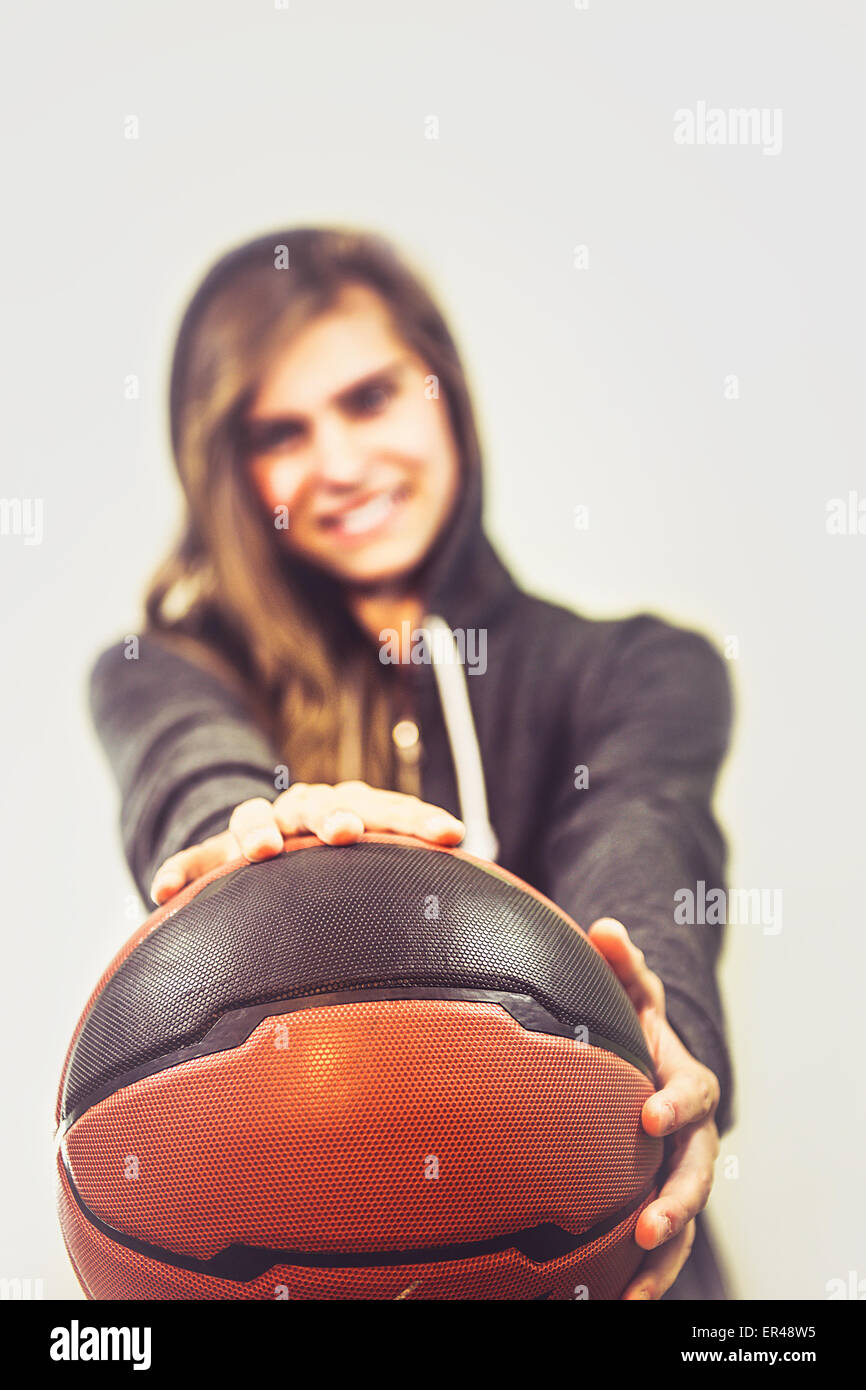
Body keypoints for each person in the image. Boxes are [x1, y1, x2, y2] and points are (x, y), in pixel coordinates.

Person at [90, 226, 734, 1300]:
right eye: (279, 431)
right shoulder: (161, 668)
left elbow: (642, 842)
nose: (339, 464)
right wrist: (251, 838)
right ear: (229, 467)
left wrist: (656, 1021)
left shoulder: (639, 668)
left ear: (446, 391)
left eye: (371, 397)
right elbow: (189, 766)